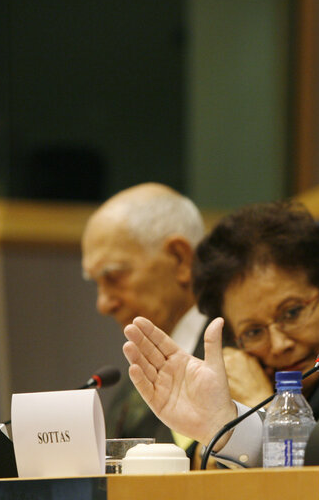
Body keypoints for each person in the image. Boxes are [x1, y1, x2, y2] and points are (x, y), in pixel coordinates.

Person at [122, 201, 319, 466]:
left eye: (292, 313)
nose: (278, 345)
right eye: (253, 331)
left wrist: (263, 406)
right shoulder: (249, 376)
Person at [82, 182, 209, 452]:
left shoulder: (239, 356)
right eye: (97, 283)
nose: (103, 304)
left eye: (113, 276)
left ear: (180, 259)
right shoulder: (129, 386)